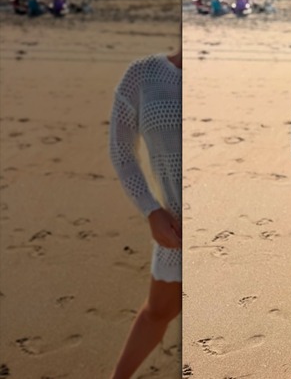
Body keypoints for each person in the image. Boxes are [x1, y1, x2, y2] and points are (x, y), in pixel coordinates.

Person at [108, 50, 182, 379]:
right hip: (175, 229)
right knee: (158, 312)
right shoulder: (143, 74)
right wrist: (150, 209)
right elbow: (121, 149)